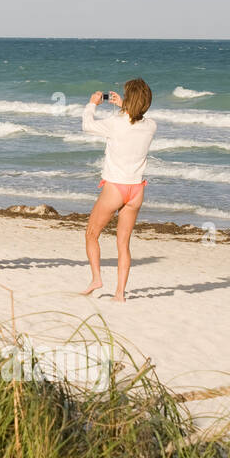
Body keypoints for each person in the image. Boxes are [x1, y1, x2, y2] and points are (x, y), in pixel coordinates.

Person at [81, 78, 156, 302]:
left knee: (91, 234)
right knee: (123, 243)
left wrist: (92, 103)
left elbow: (87, 125)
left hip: (115, 187)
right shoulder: (151, 126)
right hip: (136, 190)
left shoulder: (115, 123)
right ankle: (120, 294)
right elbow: (135, 117)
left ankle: (96, 279)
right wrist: (124, 105)